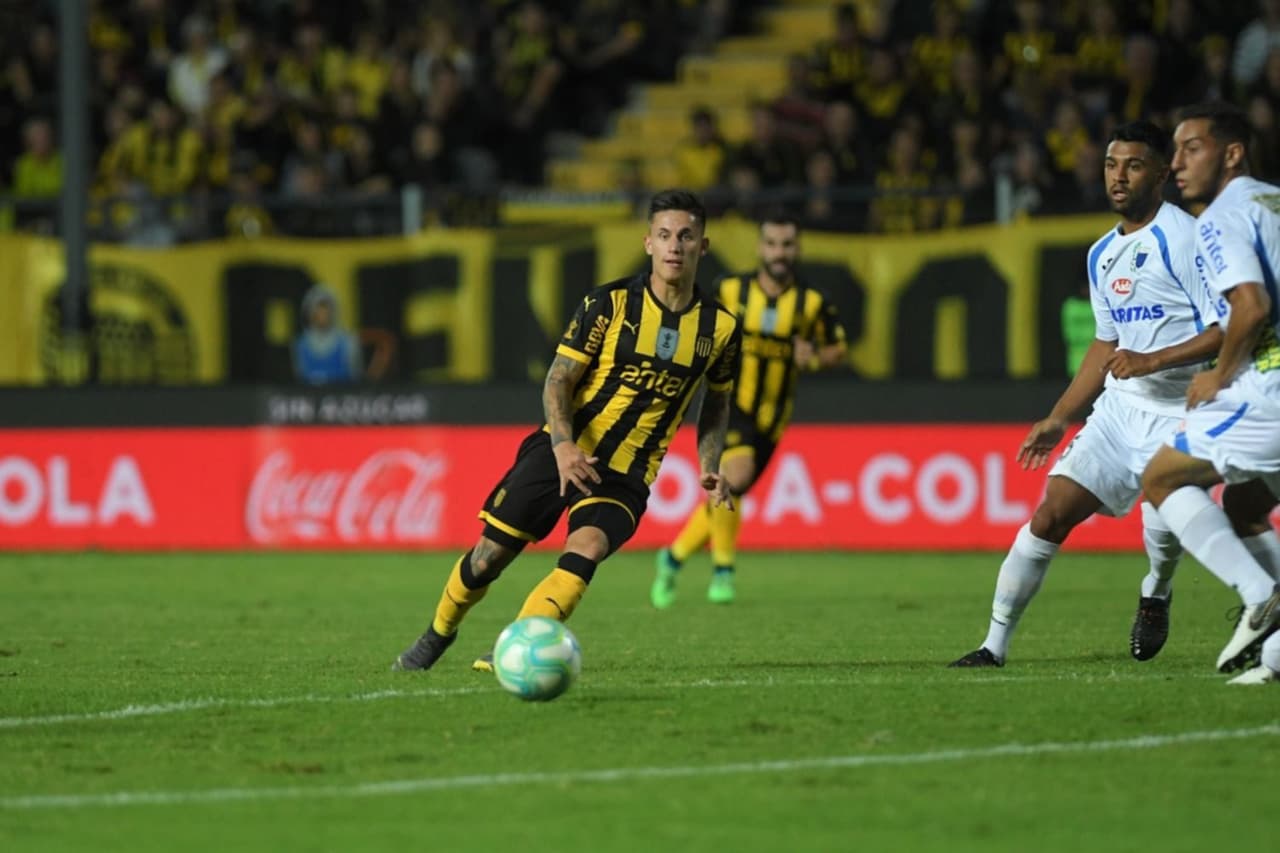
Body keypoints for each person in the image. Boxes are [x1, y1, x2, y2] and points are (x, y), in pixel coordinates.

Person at [393, 189, 742, 673]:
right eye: (664, 235)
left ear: (703, 246)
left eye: (686, 236)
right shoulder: (609, 305)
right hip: (562, 449)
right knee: (488, 557)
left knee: (589, 547)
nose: (674, 246)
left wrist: (709, 466)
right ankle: (436, 635)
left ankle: (511, 649)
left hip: (628, 472)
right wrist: (562, 446)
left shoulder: (720, 329)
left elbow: (718, 401)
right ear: (648, 243)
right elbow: (558, 379)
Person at [950, 121, 1224, 668]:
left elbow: (1224, 330)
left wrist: (1152, 360)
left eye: (1134, 165)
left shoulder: (1188, 239)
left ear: (1163, 173)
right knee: (1050, 514)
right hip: (1121, 410)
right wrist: (1058, 418)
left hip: (1182, 409)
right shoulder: (1103, 254)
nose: (1119, 177)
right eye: (1110, 165)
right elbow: (1105, 345)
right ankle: (993, 647)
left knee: (1163, 527)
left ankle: (1156, 590)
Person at [1139, 101, 1280, 685]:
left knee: (1162, 478)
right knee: (1247, 506)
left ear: (1232, 153)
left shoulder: (1223, 215)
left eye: (1190, 148)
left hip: (1271, 381)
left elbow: (1251, 306)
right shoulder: (1275, 200)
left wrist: (1219, 375)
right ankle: (1275, 660)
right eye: (1173, 151)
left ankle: (1259, 596)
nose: (1176, 163)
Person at [650, 211, 847, 607]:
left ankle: (672, 557)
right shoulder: (730, 290)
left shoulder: (812, 302)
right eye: (772, 244)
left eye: (787, 245)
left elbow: (837, 349)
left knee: (726, 495)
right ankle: (723, 571)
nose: (779, 252)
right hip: (729, 403)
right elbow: (698, 321)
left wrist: (814, 357)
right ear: (760, 248)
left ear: (797, 249)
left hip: (773, 419)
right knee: (731, 479)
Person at [293, 284, 363, 384]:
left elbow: (357, 378)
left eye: (326, 310)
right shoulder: (300, 345)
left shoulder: (349, 342)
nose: (322, 316)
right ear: (310, 313)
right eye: (318, 311)